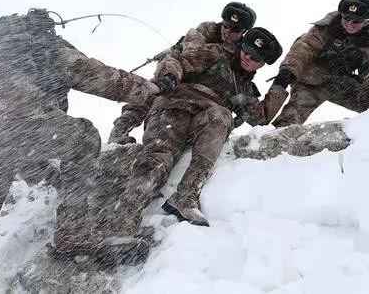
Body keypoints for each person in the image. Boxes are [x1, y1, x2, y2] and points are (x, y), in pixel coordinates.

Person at [0, 9, 159, 294]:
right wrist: (154, 91)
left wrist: (51, 176)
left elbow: (18, 154)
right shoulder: (44, 48)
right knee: (84, 136)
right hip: (6, 123)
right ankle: (74, 234)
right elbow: (112, 82)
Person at [100, 27, 287, 260]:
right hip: (175, 105)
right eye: (246, 51)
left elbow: (261, 116)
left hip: (207, 119)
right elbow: (179, 61)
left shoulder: (246, 89)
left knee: (221, 116)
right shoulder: (215, 54)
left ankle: (186, 195)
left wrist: (280, 85)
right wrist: (169, 75)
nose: (247, 58)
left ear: (262, 65)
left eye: (255, 58)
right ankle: (120, 228)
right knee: (158, 159)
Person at [107, 1, 257, 145]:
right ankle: (121, 128)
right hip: (184, 74)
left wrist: (240, 108)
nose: (228, 31)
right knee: (154, 88)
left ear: (244, 32)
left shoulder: (244, 52)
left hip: (209, 95)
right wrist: (170, 75)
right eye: (226, 25)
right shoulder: (207, 30)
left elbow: (242, 81)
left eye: (235, 30)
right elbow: (188, 55)